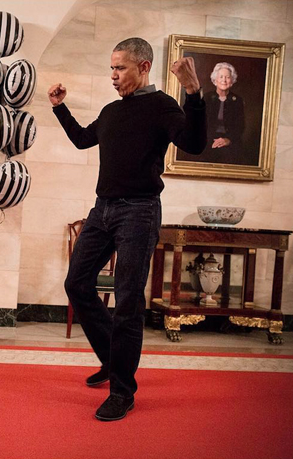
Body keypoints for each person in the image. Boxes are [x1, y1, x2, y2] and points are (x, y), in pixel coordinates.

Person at [48, 37, 206, 421]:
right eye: (111, 69)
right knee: (77, 284)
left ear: (144, 66)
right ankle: (113, 358)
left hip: (139, 211)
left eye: (120, 68)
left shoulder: (163, 106)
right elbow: (84, 139)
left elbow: (195, 144)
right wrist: (59, 107)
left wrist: (194, 93)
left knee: (128, 300)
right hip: (102, 210)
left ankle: (123, 390)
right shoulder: (112, 111)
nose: (113, 76)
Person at [202, 62, 245, 164]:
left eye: (227, 77)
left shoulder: (237, 100)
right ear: (215, 80)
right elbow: (200, 124)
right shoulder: (206, 98)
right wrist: (213, 140)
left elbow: (240, 126)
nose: (224, 80)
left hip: (230, 142)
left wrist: (227, 140)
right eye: (221, 77)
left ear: (232, 80)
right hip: (207, 141)